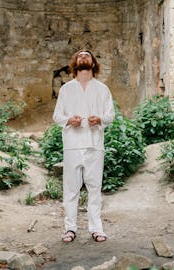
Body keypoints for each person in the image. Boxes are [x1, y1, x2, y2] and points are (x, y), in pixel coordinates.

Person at [52, 49, 115, 243]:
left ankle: (96, 228)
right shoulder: (66, 89)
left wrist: (100, 120)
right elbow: (57, 116)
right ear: (75, 64)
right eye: (79, 55)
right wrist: (69, 120)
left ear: (93, 63)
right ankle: (70, 228)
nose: (83, 57)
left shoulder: (102, 89)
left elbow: (110, 115)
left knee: (94, 187)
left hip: (94, 144)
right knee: (71, 189)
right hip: (72, 144)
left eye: (87, 55)